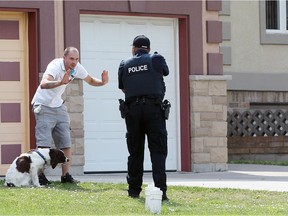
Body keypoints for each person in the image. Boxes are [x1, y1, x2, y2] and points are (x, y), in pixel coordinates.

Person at [31, 46, 109, 185]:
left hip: (58, 106)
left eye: (76, 59)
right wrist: (60, 82)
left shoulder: (77, 67)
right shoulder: (55, 65)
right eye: (71, 59)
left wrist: (102, 83)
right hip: (43, 106)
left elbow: (90, 80)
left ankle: (65, 176)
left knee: (66, 142)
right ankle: (40, 176)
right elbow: (43, 84)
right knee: (44, 144)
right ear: (64, 57)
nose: (74, 62)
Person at [118, 35, 169, 201]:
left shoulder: (124, 64)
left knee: (135, 152)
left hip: (132, 112)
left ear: (134, 49)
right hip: (154, 110)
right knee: (158, 152)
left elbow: (123, 88)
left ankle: (133, 191)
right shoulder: (156, 58)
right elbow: (165, 72)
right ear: (148, 48)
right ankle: (160, 192)